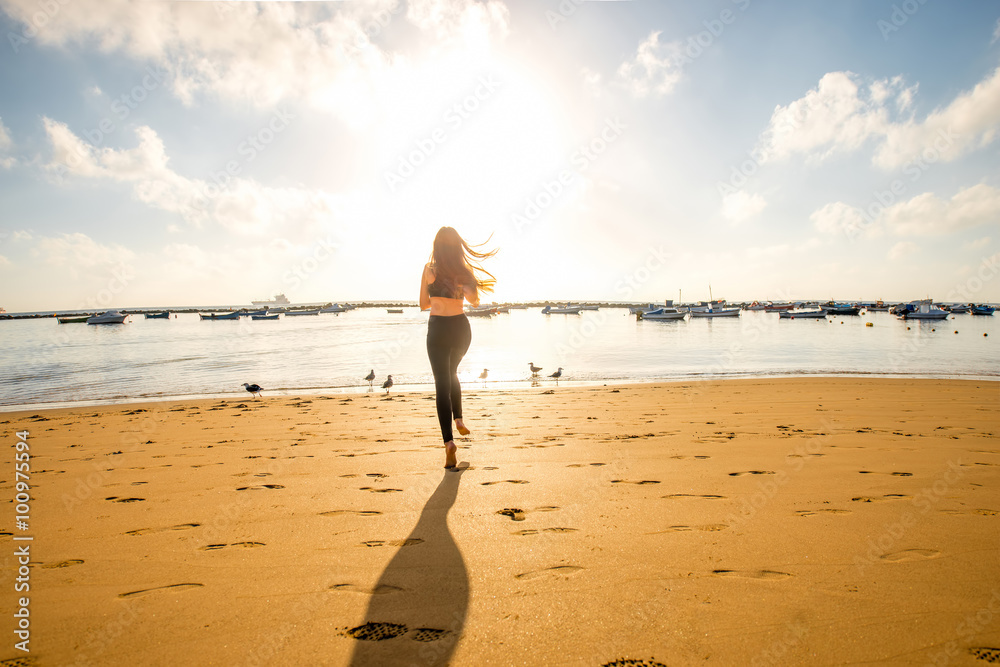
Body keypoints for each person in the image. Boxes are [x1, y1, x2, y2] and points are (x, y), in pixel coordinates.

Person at [419, 227, 496, 468]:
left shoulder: (429, 269)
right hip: (461, 329)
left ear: (437, 246)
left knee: (442, 382)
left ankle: (449, 443)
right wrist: (461, 287)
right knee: (452, 374)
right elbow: (474, 301)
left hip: (439, 328)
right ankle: (459, 418)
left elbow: (423, 304)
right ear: (457, 247)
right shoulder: (464, 272)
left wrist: (435, 287)